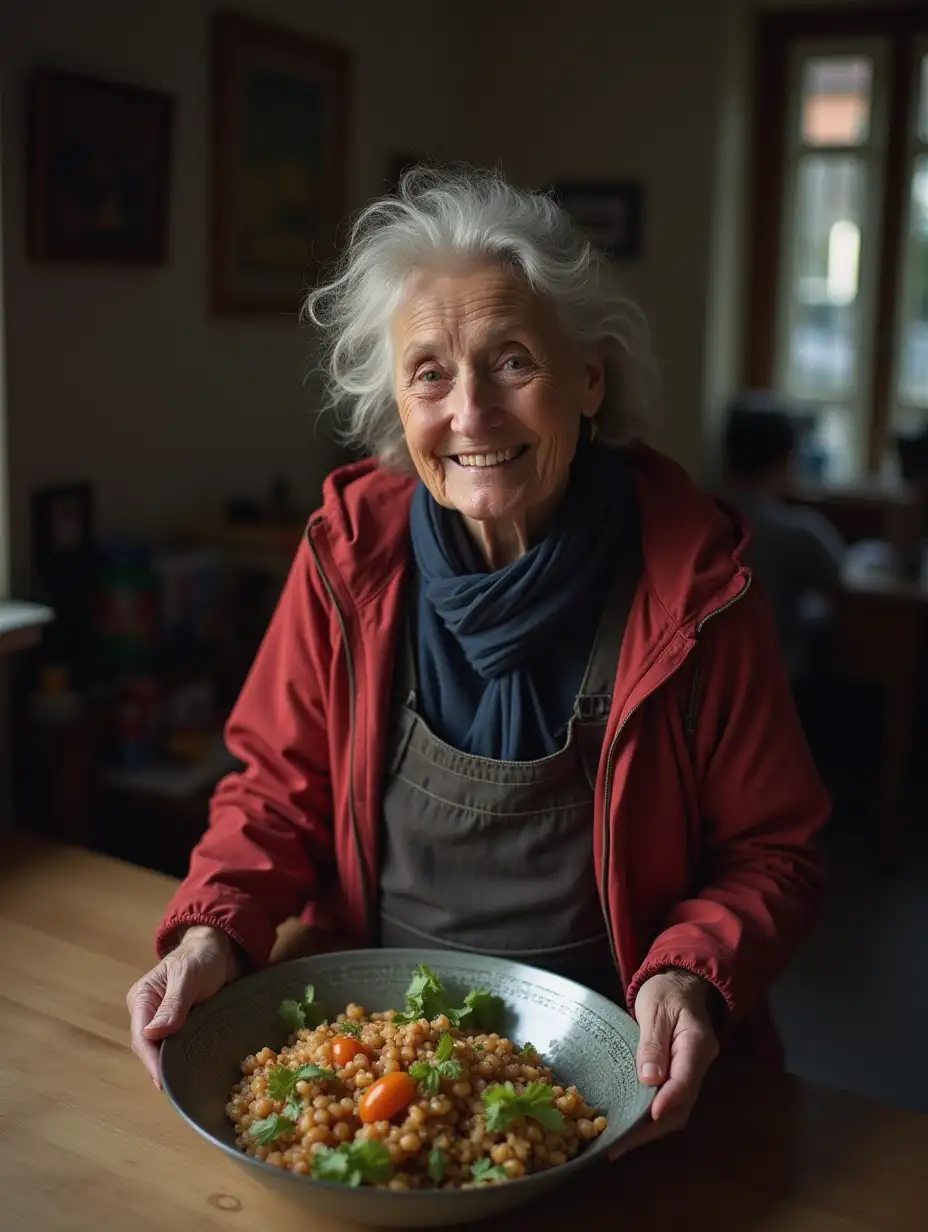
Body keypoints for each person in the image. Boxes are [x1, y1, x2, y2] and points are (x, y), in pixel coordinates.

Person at [128, 168, 828, 1150]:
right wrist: (213, 926)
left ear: (589, 377)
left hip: (623, 1083)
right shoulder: (346, 553)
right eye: (429, 372)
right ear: (396, 399)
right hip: (377, 1064)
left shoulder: (698, 584)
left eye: (511, 362)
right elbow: (277, 790)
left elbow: (776, 851)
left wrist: (691, 970)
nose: (471, 412)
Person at [719, 395, 845, 680]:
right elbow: (840, 580)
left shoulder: (686, 519)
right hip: (770, 686)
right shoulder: (797, 534)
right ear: (787, 460)